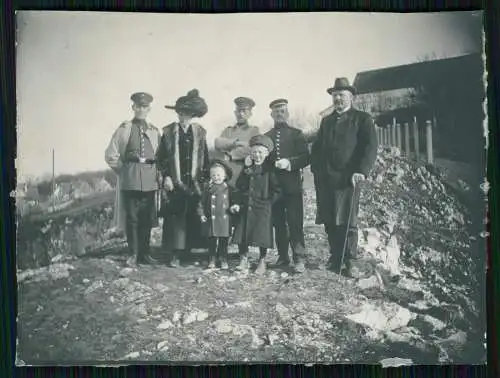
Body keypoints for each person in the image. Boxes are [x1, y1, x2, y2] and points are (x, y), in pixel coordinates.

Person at [310, 77, 378, 275]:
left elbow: (370, 147)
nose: (338, 98)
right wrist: (316, 169)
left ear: (351, 97)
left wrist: (361, 171)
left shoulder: (362, 119)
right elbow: (317, 148)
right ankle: (336, 257)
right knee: (330, 220)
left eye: (342, 95)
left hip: (349, 179)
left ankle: (350, 261)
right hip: (327, 179)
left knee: (348, 221)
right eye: (335, 95)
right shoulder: (326, 121)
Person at [104, 92, 161, 266]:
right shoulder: (124, 129)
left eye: (145, 107)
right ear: (133, 108)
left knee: (147, 218)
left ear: (149, 109)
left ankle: (145, 253)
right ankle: (133, 254)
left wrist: (158, 175)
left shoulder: (154, 131)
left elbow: (160, 156)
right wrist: (124, 170)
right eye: (138, 106)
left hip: (150, 179)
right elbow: (111, 155)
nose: (141, 110)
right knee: (132, 218)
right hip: (131, 180)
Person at [157, 89, 210, 268]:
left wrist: (205, 177)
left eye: (187, 113)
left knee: (194, 215)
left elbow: (206, 156)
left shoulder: (200, 133)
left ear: (192, 115)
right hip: (176, 182)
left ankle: (190, 252)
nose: (183, 116)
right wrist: (166, 177)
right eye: (181, 113)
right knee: (176, 218)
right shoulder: (168, 133)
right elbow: (161, 158)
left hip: (194, 182)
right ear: (177, 113)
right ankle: (175, 254)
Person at [263, 98, 310, 274]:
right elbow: (265, 162)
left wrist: (289, 163)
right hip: (274, 188)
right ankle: (283, 257)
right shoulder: (266, 137)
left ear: (287, 113)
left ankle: (299, 258)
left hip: (292, 188)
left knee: (295, 223)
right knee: (278, 224)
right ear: (271, 114)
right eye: (276, 112)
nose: (279, 114)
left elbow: (306, 157)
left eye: (282, 111)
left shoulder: (297, 134)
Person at [232, 134, 281, 275]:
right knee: (242, 233)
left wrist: (269, 202)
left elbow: (277, 189)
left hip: (263, 208)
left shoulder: (270, 170)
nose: (257, 155)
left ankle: (262, 260)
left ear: (266, 154)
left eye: (260, 152)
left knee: (262, 236)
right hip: (247, 206)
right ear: (250, 154)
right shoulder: (247, 169)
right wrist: (239, 201)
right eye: (254, 152)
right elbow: (239, 186)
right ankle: (243, 258)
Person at [198, 159, 240, 270]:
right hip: (211, 220)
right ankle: (212, 259)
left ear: (225, 175)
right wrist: (201, 214)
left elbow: (234, 201)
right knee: (211, 241)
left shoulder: (229, 189)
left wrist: (234, 207)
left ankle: (223, 259)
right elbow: (201, 203)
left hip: (224, 220)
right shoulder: (208, 189)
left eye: (219, 175)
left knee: (223, 242)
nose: (216, 177)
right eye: (213, 175)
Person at [214, 97, 260, 187]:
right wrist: (236, 143)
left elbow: (252, 149)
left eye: (244, 111)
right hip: (226, 177)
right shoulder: (228, 130)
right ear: (235, 113)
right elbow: (218, 143)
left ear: (250, 114)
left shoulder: (254, 131)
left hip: (244, 176)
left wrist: (230, 154)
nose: (241, 114)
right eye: (239, 111)